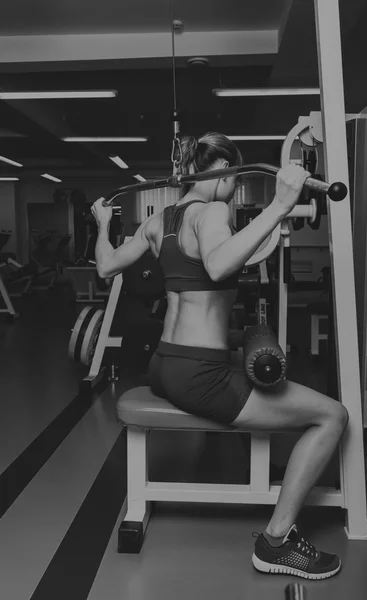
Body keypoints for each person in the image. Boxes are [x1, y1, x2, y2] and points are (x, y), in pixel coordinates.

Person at [92, 132, 348, 581]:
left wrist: (100, 226)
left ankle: (275, 480)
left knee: (263, 384)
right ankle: (276, 543)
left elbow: (106, 267)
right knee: (332, 416)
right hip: (197, 375)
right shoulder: (212, 211)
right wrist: (278, 205)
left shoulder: (160, 221)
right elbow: (217, 266)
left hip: (163, 363)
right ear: (227, 172)